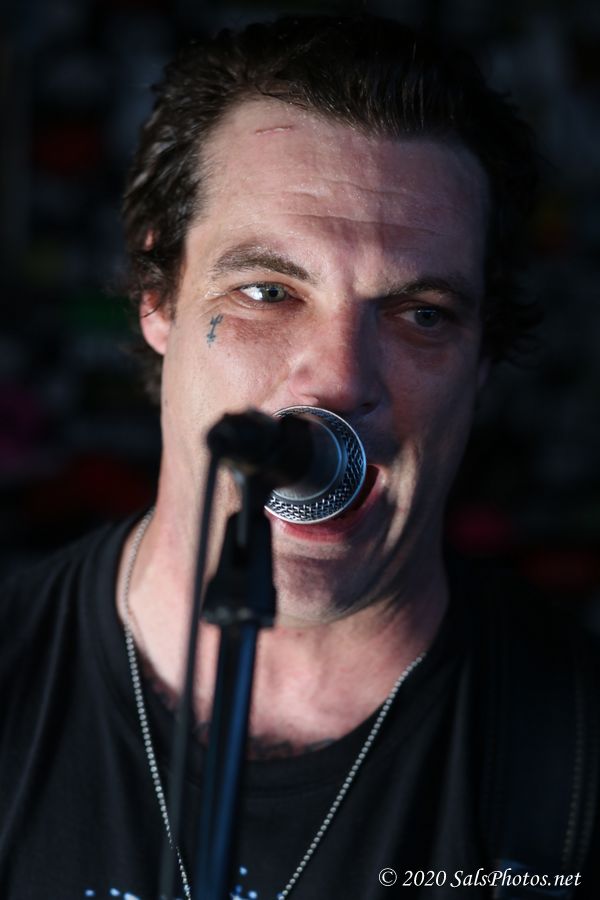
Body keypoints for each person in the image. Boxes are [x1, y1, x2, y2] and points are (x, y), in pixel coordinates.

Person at [1, 14, 598, 900]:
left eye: (420, 314)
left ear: (481, 359)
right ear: (158, 298)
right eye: (267, 291)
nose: (338, 379)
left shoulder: (574, 752)